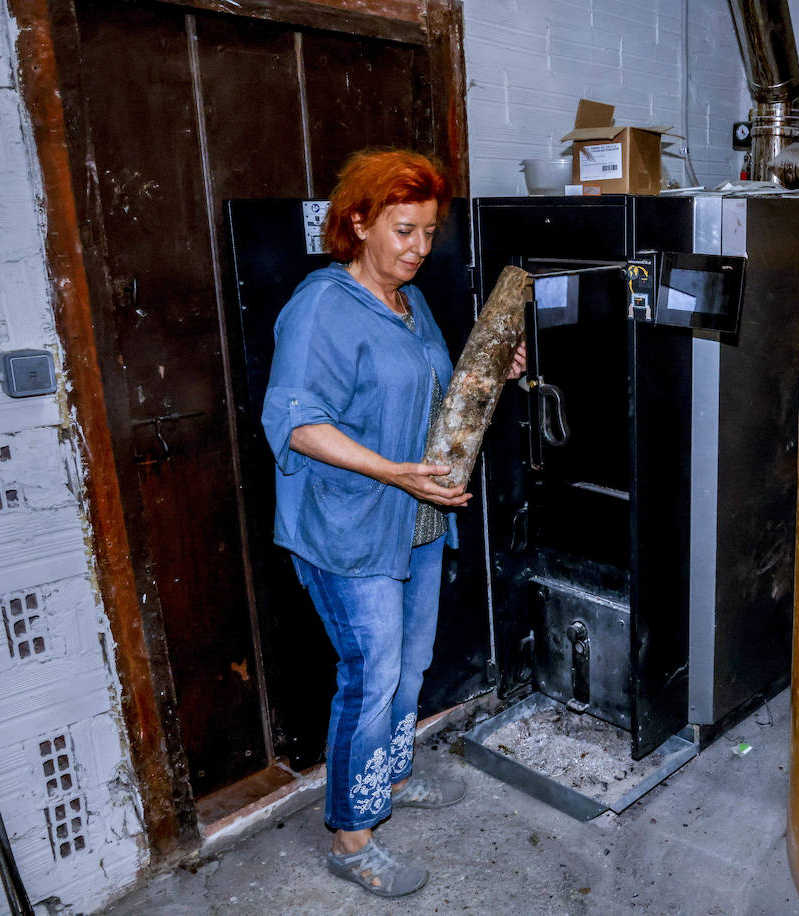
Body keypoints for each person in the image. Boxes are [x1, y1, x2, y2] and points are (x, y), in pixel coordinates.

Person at [262, 149, 524, 898]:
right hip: (348, 531)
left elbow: (434, 391)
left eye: (428, 232)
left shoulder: (412, 302)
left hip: (413, 524)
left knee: (408, 669)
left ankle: (392, 775)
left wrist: (488, 375)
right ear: (357, 223)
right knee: (371, 679)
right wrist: (393, 471)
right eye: (403, 230)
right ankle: (351, 834)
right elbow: (297, 422)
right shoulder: (322, 306)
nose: (418, 248)